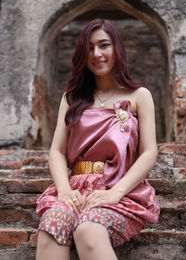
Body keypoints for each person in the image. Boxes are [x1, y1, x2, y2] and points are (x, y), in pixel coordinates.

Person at [35, 18, 160, 260]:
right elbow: (57, 152)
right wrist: (62, 190)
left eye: (104, 45)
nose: (96, 53)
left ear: (117, 49)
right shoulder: (71, 98)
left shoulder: (139, 96)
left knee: (88, 230)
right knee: (52, 226)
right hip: (74, 189)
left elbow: (149, 152)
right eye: (89, 48)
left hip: (118, 189)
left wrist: (117, 192)